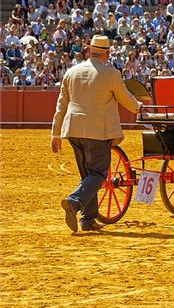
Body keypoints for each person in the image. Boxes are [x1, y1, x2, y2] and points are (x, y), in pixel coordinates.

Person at [51, 35, 141, 233]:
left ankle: (88, 219)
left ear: (89, 51)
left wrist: (55, 133)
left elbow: (61, 105)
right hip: (98, 130)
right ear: (107, 53)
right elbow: (125, 98)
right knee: (99, 173)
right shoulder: (110, 73)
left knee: (87, 175)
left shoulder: (71, 72)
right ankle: (74, 202)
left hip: (73, 129)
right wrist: (139, 109)